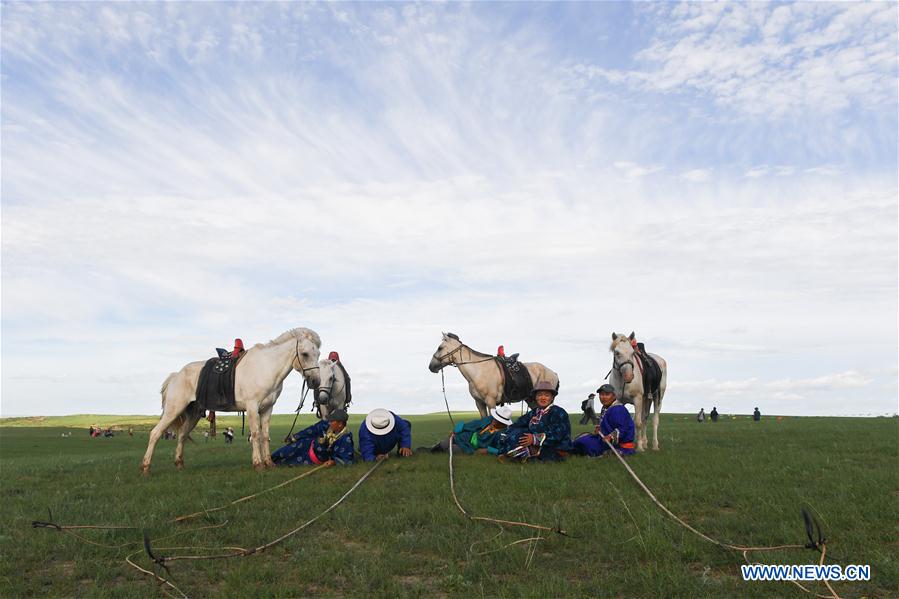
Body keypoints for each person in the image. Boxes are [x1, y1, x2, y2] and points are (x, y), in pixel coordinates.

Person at [501, 380, 572, 462]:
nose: (543, 398)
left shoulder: (559, 412)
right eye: (539, 395)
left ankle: (519, 454)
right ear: (535, 397)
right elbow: (518, 423)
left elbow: (558, 434)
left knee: (532, 448)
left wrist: (534, 439)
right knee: (517, 431)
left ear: (552, 398)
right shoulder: (534, 412)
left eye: (547, 395)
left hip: (555, 447)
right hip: (535, 444)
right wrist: (508, 433)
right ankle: (517, 452)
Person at [271, 409, 355, 467]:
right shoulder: (325, 425)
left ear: (340, 424)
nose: (329, 423)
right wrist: (295, 437)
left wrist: (333, 462)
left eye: (332, 421)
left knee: (287, 463)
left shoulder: (345, 439)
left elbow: (347, 459)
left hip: (312, 459)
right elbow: (311, 430)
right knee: (284, 452)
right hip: (305, 445)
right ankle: (267, 461)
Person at [572, 384, 636, 456]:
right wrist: (600, 429)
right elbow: (609, 426)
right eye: (601, 394)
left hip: (619, 445)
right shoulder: (606, 407)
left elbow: (623, 428)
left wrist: (610, 437)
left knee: (585, 443)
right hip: (605, 441)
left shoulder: (617, 409)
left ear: (614, 396)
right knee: (583, 439)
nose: (603, 397)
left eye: (607, 394)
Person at [432, 405, 514, 454]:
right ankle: (429, 451)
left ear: (504, 423)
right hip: (466, 437)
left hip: (472, 447)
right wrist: (456, 430)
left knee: (452, 450)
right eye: (495, 418)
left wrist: (488, 450)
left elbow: (502, 450)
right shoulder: (490, 419)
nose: (494, 421)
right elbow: (473, 424)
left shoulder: (504, 434)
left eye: (498, 421)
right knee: (445, 443)